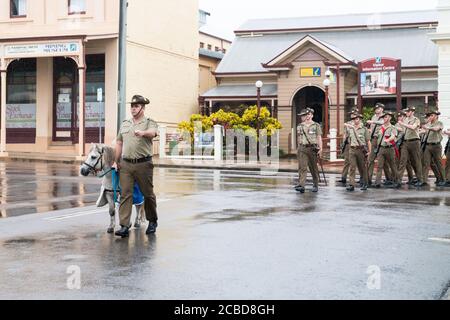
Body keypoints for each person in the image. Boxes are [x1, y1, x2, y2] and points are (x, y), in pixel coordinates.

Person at [113, 95, 159, 238]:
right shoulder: (125, 123)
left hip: (144, 164)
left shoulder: (149, 122)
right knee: (126, 194)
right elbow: (119, 143)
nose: (133, 109)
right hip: (126, 164)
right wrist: (116, 161)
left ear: (143, 108)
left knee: (148, 194)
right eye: (132, 106)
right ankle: (124, 226)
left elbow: (153, 133)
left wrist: (144, 133)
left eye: (136, 106)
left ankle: (152, 221)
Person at [295, 108, 323, 194]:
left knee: (313, 168)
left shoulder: (316, 125)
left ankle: (315, 185)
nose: (307, 116)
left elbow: (319, 137)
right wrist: (298, 148)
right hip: (303, 148)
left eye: (309, 114)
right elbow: (299, 137)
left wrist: (321, 148)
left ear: (312, 115)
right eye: (306, 115)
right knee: (302, 167)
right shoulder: (300, 126)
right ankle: (302, 185)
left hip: (312, 148)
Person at [396, 106, 425, 187]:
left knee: (416, 161)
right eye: (406, 111)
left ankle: (420, 180)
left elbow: (413, 127)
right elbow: (402, 130)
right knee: (403, 161)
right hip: (406, 142)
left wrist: (403, 124)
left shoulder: (416, 119)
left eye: (408, 111)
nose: (407, 113)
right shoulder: (405, 120)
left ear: (412, 112)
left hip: (415, 141)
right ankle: (398, 181)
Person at [367, 103, 392, 185]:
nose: (376, 110)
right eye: (376, 109)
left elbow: (382, 123)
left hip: (381, 139)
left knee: (383, 161)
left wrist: (373, 121)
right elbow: (371, 128)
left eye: (378, 108)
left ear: (382, 109)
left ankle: (388, 178)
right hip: (374, 139)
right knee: (371, 159)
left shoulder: (384, 116)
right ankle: (368, 179)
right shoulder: (374, 116)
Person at [344, 113, 371, 191]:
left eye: (357, 119)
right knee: (352, 167)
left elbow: (368, 141)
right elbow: (349, 139)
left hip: (361, 150)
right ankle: (351, 184)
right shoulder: (350, 129)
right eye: (354, 119)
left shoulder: (364, 129)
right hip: (352, 149)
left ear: (360, 119)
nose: (355, 120)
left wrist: (369, 151)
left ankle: (365, 183)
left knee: (362, 168)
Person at [373, 111, 400, 188]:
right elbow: (376, 137)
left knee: (393, 165)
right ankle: (377, 182)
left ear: (390, 118)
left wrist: (388, 140)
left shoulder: (393, 128)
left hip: (389, 149)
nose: (385, 118)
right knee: (379, 166)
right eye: (384, 117)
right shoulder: (380, 128)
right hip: (381, 149)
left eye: (386, 117)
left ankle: (397, 181)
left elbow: (393, 136)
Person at [421, 110, 446, 187]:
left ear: (436, 116)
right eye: (430, 116)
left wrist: (428, 127)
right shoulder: (428, 124)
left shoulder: (439, 123)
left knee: (438, 163)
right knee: (426, 163)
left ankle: (443, 179)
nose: (430, 117)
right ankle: (424, 181)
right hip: (428, 146)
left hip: (436, 146)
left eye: (432, 115)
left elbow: (436, 129)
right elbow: (424, 131)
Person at [395, 111, 415, 185]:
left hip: (405, 143)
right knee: (398, 161)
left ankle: (410, 178)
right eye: (399, 117)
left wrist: (399, 128)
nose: (400, 118)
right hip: (398, 144)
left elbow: (405, 131)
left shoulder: (406, 123)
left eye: (401, 116)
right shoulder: (397, 124)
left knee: (406, 162)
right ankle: (396, 178)